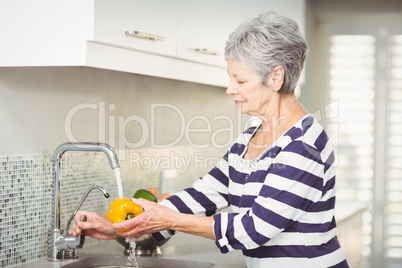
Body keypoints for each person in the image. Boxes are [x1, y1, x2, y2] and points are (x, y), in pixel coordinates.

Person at [70, 11, 349, 267]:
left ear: (276, 77)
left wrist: (170, 220)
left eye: (240, 81)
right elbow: (204, 194)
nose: (230, 89)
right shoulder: (252, 136)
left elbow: (253, 230)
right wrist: (118, 225)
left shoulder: (303, 145)